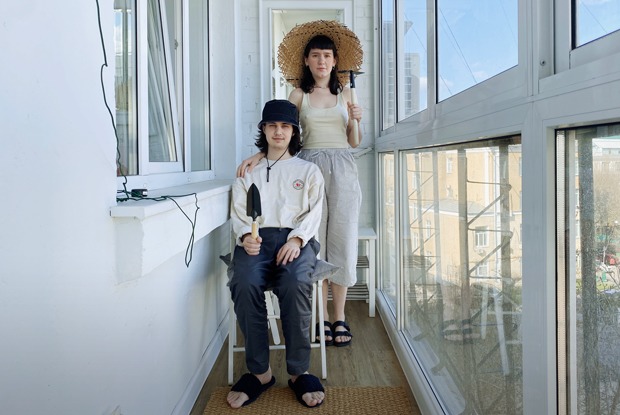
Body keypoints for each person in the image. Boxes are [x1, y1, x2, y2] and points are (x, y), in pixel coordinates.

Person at [237, 21, 363, 348]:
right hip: (309, 165)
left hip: (343, 168)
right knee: (313, 239)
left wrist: (357, 120)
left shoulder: (347, 94)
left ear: (335, 61)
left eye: (327, 56)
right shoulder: (298, 95)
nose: (322, 61)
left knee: (343, 238)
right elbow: (285, 131)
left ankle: (339, 316)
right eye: (316, 55)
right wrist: (259, 155)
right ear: (306, 61)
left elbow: (354, 142)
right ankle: (319, 316)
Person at [227, 99, 326, 409]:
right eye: (272, 125)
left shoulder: (309, 171)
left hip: (297, 240)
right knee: (243, 281)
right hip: (257, 238)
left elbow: (315, 212)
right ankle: (260, 373)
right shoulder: (247, 172)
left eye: (285, 126)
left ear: (294, 131)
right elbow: (239, 211)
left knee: (295, 283)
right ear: (264, 129)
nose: (278, 131)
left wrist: (296, 240)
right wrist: (246, 236)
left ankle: (299, 372)